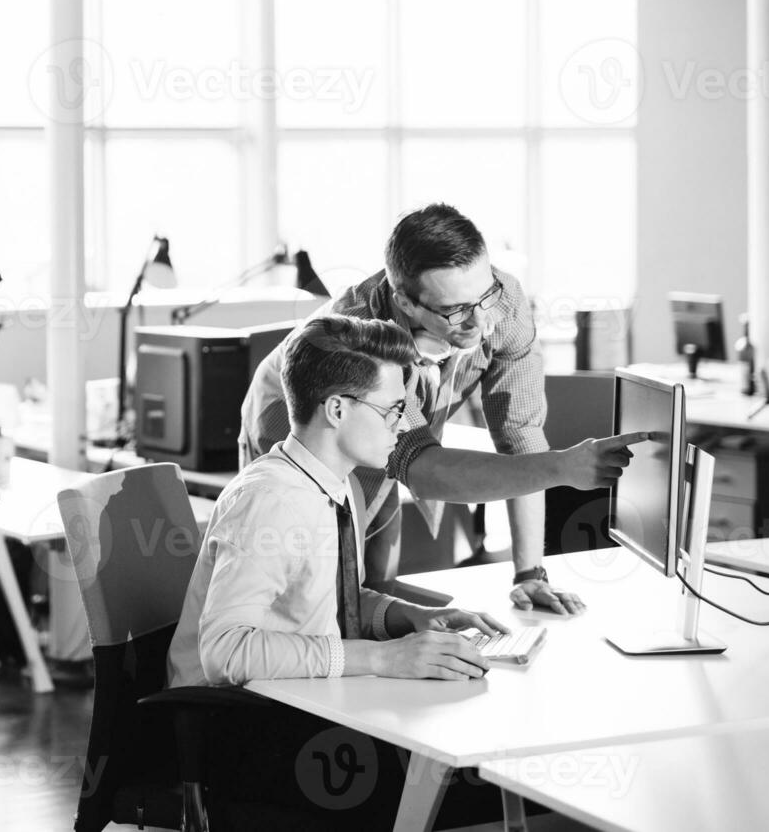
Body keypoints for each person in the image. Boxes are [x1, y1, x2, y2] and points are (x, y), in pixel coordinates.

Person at [169, 315, 631, 827]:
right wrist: (386, 659)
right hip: (241, 734)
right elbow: (224, 653)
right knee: (512, 786)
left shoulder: (332, 481)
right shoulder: (272, 501)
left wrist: (407, 618)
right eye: (392, 409)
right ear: (338, 409)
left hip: (300, 706)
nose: (403, 422)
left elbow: (322, 598)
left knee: (500, 769)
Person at [241, 202, 635, 613]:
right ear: (406, 302)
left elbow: (521, 436)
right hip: (301, 419)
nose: (480, 322)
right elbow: (422, 468)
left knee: (377, 582)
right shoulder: (361, 339)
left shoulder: (504, 302)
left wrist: (530, 573)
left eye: (485, 296)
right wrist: (563, 468)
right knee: (318, 588)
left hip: (385, 426)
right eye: (455, 310)